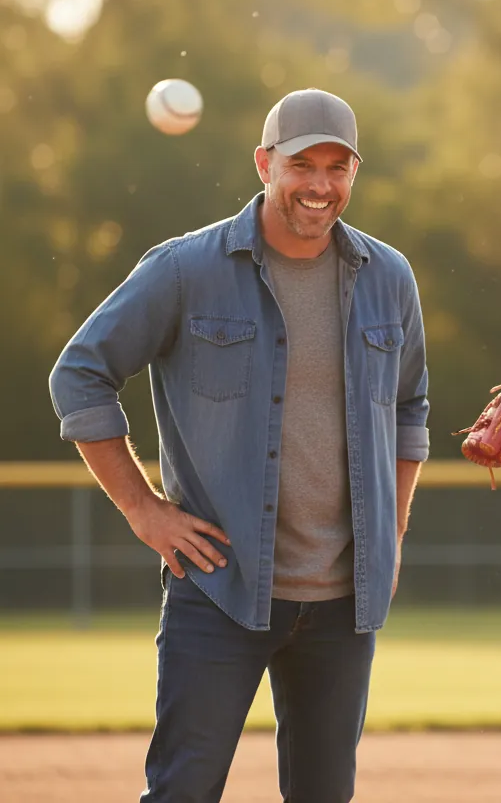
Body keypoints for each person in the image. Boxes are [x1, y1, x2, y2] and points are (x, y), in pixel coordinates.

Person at [48, 88, 430, 803]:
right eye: (301, 164)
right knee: (182, 793)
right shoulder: (185, 268)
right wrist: (143, 510)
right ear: (264, 163)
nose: (319, 185)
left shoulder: (389, 277)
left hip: (344, 603)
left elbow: (411, 409)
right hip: (220, 590)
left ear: (355, 173)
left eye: (337, 167)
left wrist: (394, 531)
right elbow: (79, 376)